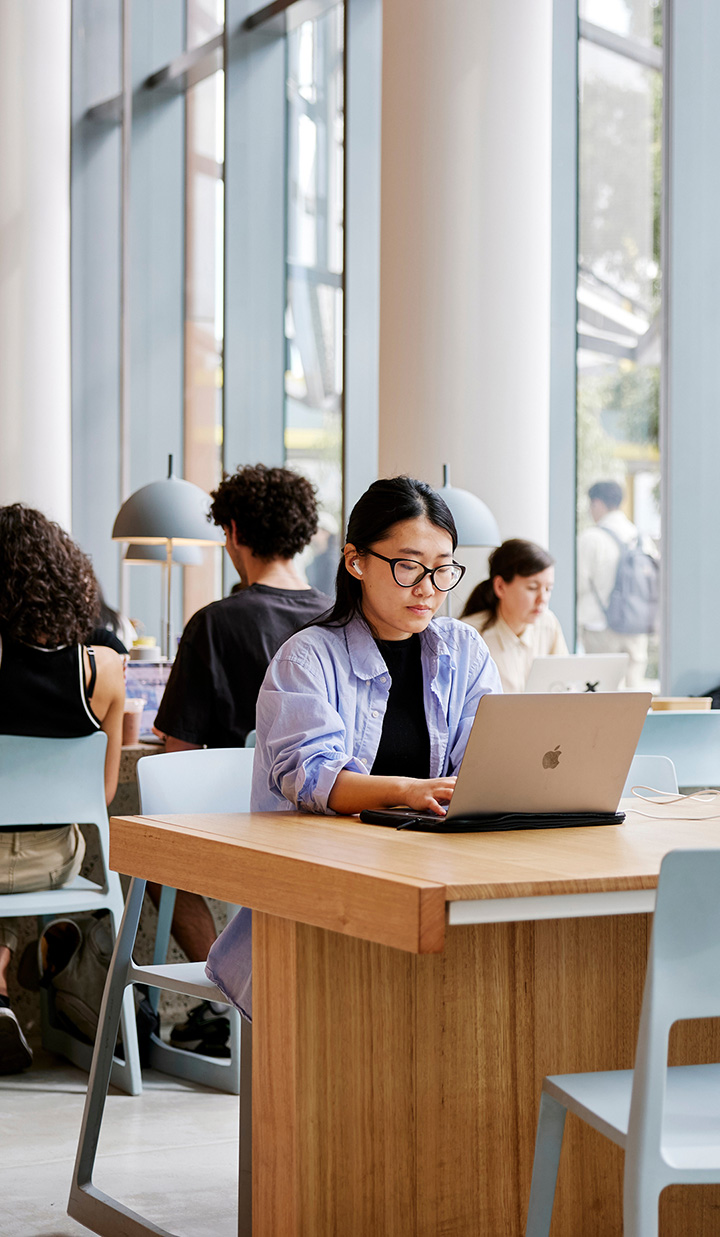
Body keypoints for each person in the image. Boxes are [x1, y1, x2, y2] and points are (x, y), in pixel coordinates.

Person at [205, 475, 502, 1018]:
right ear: (356, 561)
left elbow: (488, 759)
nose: (429, 587)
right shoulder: (306, 658)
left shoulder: (464, 650)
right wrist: (410, 792)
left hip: (428, 876)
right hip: (322, 892)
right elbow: (316, 780)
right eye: (409, 565)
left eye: (444, 568)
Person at [153, 463, 331, 1055]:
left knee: (156, 869)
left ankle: (222, 1003)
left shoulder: (213, 623)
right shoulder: (340, 622)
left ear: (232, 532)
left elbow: (176, 757)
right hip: (330, 827)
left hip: (244, 831)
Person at [0, 504, 125, 1074]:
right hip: (55, 859)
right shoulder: (103, 668)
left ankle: (4, 991)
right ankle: (29, 966)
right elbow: (100, 796)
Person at [460, 539, 567, 693]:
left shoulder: (548, 623)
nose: (542, 599)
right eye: (532, 588)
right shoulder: (469, 635)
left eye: (548, 589)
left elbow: (565, 684)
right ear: (500, 587)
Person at [577, 481, 651, 689]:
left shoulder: (591, 538)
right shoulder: (641, 538)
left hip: (599, 625)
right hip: (636, 627)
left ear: (598, 503)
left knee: (603, 692)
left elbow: (578, 584)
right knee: (634, 690)